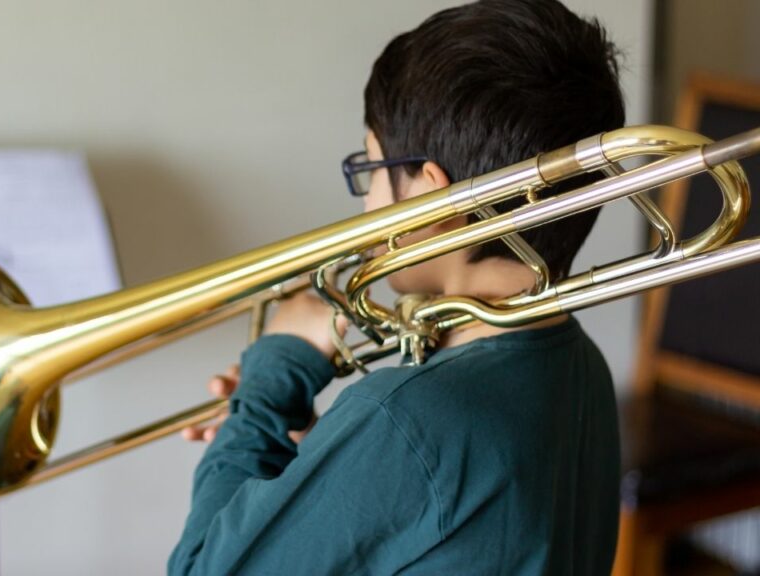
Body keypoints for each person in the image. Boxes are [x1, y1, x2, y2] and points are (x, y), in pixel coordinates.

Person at [170, 0, 625, 573]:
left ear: (431, 198)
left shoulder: (411, 420)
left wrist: (273, 376)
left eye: (370, 168)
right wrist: (313, 449)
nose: (365, 201)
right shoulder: (583, 365)